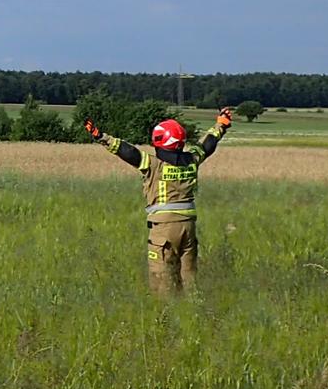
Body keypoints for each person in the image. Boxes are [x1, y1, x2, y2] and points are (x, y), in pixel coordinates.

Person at [83, 107, 233, 295]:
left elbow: (129, 152)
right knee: (190, 281)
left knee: (162, 283)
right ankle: (195, 313)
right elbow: (208, 145)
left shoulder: (154, 165)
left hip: (163, 231)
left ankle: (165, 318)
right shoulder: (192, 159)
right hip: (188, 228)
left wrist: (101, 136)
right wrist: (221, 125)